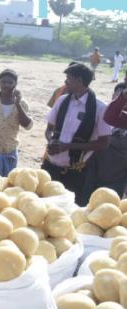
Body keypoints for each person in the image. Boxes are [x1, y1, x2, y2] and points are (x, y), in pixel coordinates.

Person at [43, 63, 112, 206]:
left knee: (67, 210)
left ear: (79, 81)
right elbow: (49, 129)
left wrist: (68, 146)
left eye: (68, 78)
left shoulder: (100, 108)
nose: (65, 82)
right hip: (50, 166)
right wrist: (51, 141)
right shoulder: (62, 101)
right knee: (42, 204)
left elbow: (104, 143)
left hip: (75, 172)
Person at [0, 69, 33, 176]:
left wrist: (17, 104)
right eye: (3, 82)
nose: (6, 85)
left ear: (16, 84)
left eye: (10, 82)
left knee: (7, 184)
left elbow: (27, 126)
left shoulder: (22, 104)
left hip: (9, 153)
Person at [83, 82, 127, 199]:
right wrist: (123, 96)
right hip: (95, 170)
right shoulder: (110, 111)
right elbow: (110, 117)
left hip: (117, 177)